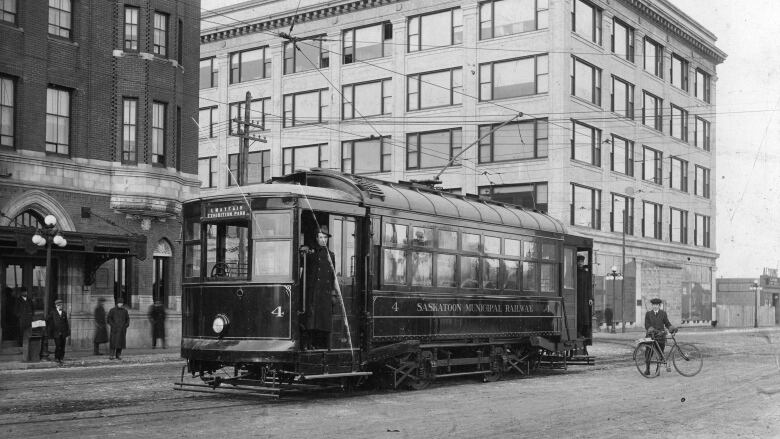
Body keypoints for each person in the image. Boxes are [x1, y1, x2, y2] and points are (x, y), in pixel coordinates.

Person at [300, 227, 338, 349]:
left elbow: (332, 275)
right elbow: (301, 264)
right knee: (311, 319)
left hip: (325, 292)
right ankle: (308, 344)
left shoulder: (331, 255)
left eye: (325, 238)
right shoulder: (310, 253)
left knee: (323, 320)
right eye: (321, 237)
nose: (323, 240)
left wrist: (333, 293)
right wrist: (302, 250)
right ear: (316, 238)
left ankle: (322, 345)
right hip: (313, 291)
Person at [643, 298, 676, 375]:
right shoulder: (648, 314)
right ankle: (647, 369)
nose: (655, 306)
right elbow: (647, 325)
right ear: (652, 305)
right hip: (650, 336)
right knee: (648, 353)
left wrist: (671, 328)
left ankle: (658, 370)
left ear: (659, 305)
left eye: (657, 305)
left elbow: (667, 323)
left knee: (660, 353)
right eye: (654, 305)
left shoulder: (663, 313)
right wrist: (652, 330)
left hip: (660, 337)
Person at [47, 298, 70, 366]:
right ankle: (57, 357)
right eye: (59, 305)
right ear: (56, 306)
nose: (61, 306)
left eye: (61, 305)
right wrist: (51, 328)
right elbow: (48, 320)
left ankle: (61, 358)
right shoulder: (53, 312)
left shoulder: (64, 313)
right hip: (56, 332)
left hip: (63, 332)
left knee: (63, 346)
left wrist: (67, 332)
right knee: (58, 346)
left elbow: (66, 323)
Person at [15, 287, 34, 352]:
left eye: (26, 292)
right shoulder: (18, 300)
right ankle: (21, 346)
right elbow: (15, 310)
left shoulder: (29, 300)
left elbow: (33, 309)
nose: (25, 293)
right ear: (21, 293)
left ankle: (28, 345)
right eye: (23, 292)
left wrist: (31, 315)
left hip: (29, 319)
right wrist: (19, 316)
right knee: (21, 332)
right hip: (21, 319)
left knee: (28, 332)